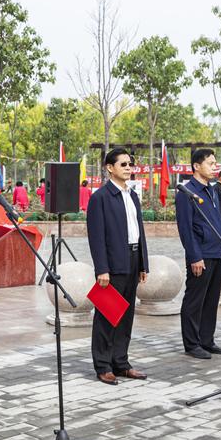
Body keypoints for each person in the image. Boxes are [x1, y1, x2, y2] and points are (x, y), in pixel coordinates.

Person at [86, 148, 149, 384]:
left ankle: (121, 362)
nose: (128, 168)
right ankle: (103, 365)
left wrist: (143, 262)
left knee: (126, 316)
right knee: (107, 315)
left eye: (130, 164)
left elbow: (139, 232)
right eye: (123, 164)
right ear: (109, 168)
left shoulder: (132, 195)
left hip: (132, 260)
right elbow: (96, 236)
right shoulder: (100, 197)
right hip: (112, 264)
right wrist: (101, 268)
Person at [175, 149, 221, 360]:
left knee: (211, 300)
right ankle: (192, 343)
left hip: (216, 252)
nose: (214, 167)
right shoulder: (187, 193)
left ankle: (207, 340)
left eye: (215, 163)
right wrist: (195, 256)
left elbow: (217, 221)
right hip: (201, 255)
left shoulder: (212, 190)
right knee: (195, 300)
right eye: (210, 163)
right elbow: (186, 229)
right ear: (196, 166)